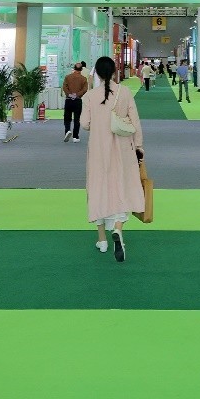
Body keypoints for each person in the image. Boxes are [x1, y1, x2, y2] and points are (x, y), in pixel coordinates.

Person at [80, 56, 145, 262]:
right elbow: (135, 122)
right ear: (115, 72)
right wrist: (139, 146)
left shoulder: (90, 96)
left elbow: (85, 124)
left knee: (98, 188)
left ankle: (102, 240)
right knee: (121, 187)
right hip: (123, 149)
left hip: (98, 149)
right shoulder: (125, 92)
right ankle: (117, 228)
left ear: (97, 74)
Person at [62, 61, 89, 143]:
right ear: (81, 69)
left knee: (67, 117)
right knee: (77, 119)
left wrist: (69, 94)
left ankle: (67, 131)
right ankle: (75, 136)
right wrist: (77, 94)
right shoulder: (83, 79)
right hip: (78, 100)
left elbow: (64, 87)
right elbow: (85, 89)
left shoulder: (67, 77)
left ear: (74, 69)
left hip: (68, 100)